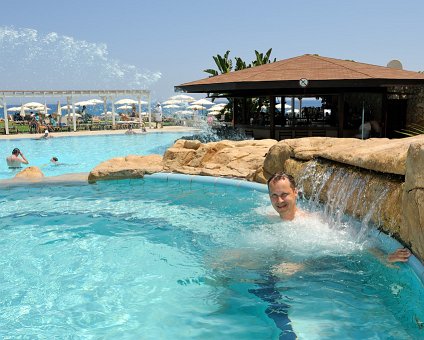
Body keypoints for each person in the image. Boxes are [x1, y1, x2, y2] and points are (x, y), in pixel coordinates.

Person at [267, 171, 411, 264]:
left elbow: (353, 241)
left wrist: (385, 258)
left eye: (284, 194)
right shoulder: (268, 215)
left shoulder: (313, 221)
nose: (279, 201)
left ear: (295, 193)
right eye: (274, 195)